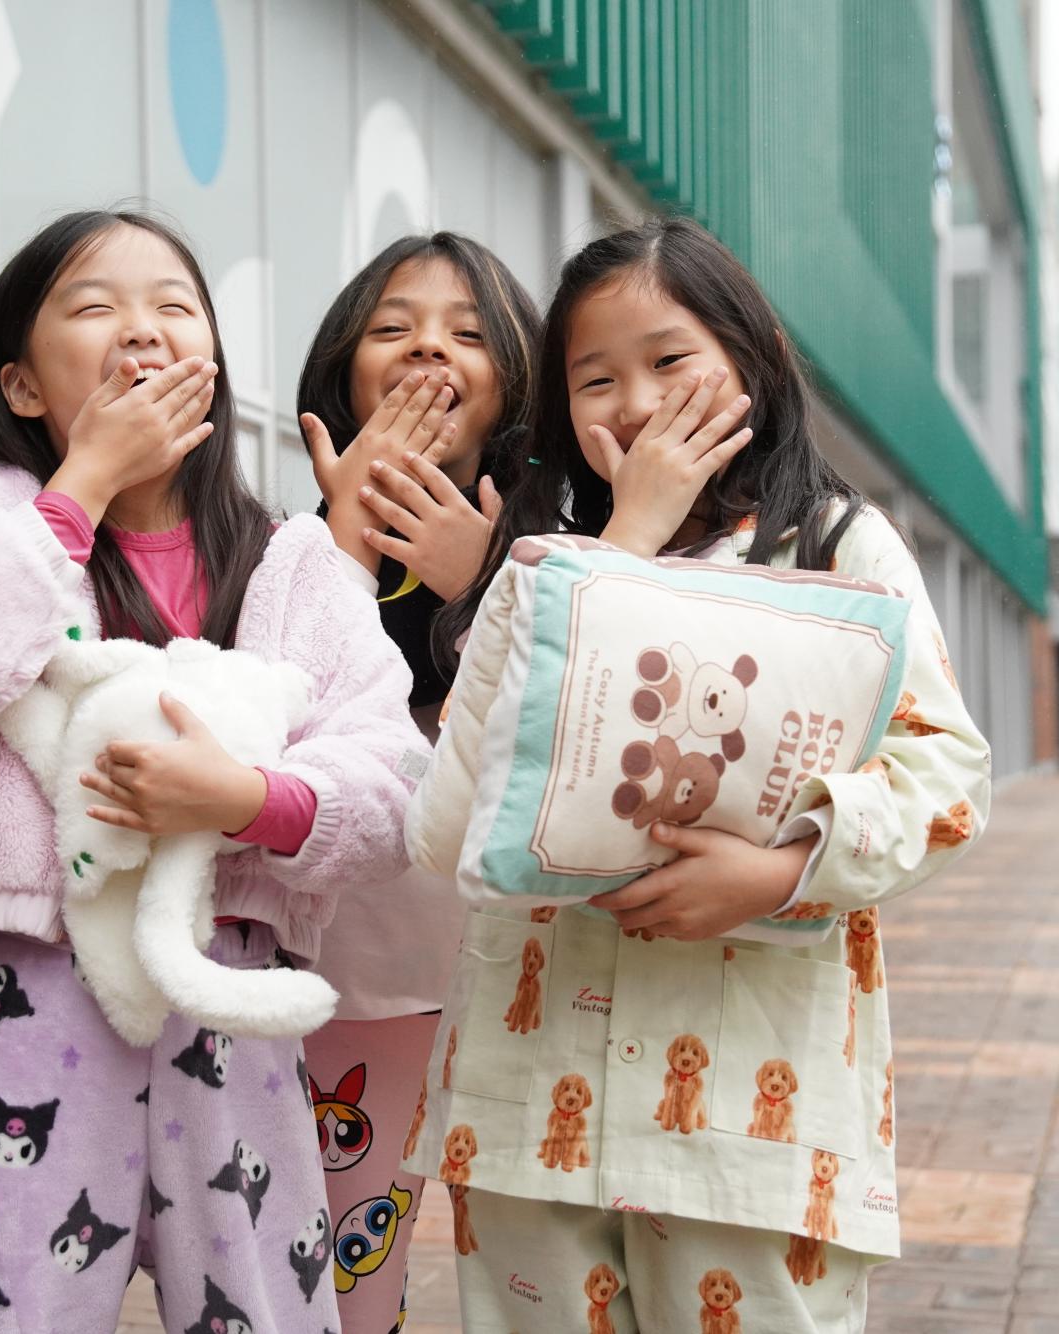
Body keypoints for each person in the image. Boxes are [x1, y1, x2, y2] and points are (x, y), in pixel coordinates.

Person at [401, 217, 992, 1332]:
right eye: (596, 377)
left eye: (669, 360)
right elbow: (450, 823)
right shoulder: (542, 568)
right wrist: (626, 537)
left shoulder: (835, 547)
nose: (634, 400)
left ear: (752, 358)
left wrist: (779, 871)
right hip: (530, 1111)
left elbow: (947, 774)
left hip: (750, 1121)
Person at [0, 209, 427, 1333]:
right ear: (22, 384)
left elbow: (392, 779)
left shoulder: (287, 560)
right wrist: (77, 489)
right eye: (94, 306)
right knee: (13, 1301)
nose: (142, 331)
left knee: (264, 1305)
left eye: (174, 306)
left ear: (210, 362)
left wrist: (246, 801)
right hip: (38, 983)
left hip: (233, 984)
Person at [296, 231, 541, 1329]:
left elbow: (582, 728)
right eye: (393, 328)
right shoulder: (291, 550)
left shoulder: (570, 544)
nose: (428, 350)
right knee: (353, 1285)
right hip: (363, 978)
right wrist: (347, 536)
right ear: (344, 369)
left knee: (542, 1279)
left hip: (530, 983)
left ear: (519, 378)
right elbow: (271, 711)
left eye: (468, 332)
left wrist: (482, 579)